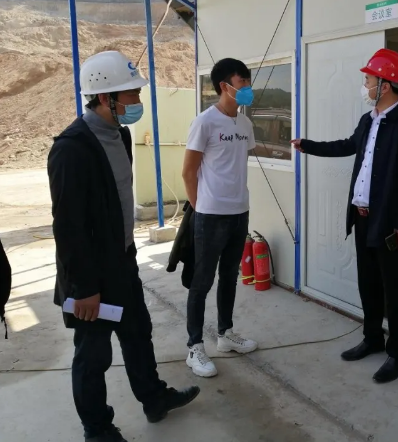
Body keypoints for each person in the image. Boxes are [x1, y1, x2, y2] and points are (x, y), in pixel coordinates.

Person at [48, 51, 200, 442]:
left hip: (123, 260)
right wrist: (85, 288)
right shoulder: (71, 148)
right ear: (105, 98)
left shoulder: (122, 134)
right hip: (91, 273)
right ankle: (97, 429)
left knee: (137, 332)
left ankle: (154, 399)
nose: (137, 101)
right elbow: (68, 228)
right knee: (93, 355)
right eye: (131, 94)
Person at [291, 49, 398, 383]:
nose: (365, 86)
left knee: (395, 289)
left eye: (368, 80)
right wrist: (308, 145)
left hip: (391, 224)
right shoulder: (369, 120)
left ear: (385, 85)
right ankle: (372, 338)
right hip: (363, 216)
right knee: (368, 283)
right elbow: (347, 145)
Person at [182, 58, 258, 378]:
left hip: (239, 213)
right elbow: (188, 172)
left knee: (229, 277)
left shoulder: (245, 124)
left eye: (248, 82)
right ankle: (195, 346)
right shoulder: (205, 122)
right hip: (210, 215)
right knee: (201, 282)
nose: (247, 88)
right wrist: (200, 208)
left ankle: (225, 334)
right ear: (225, 86)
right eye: (242, 82)